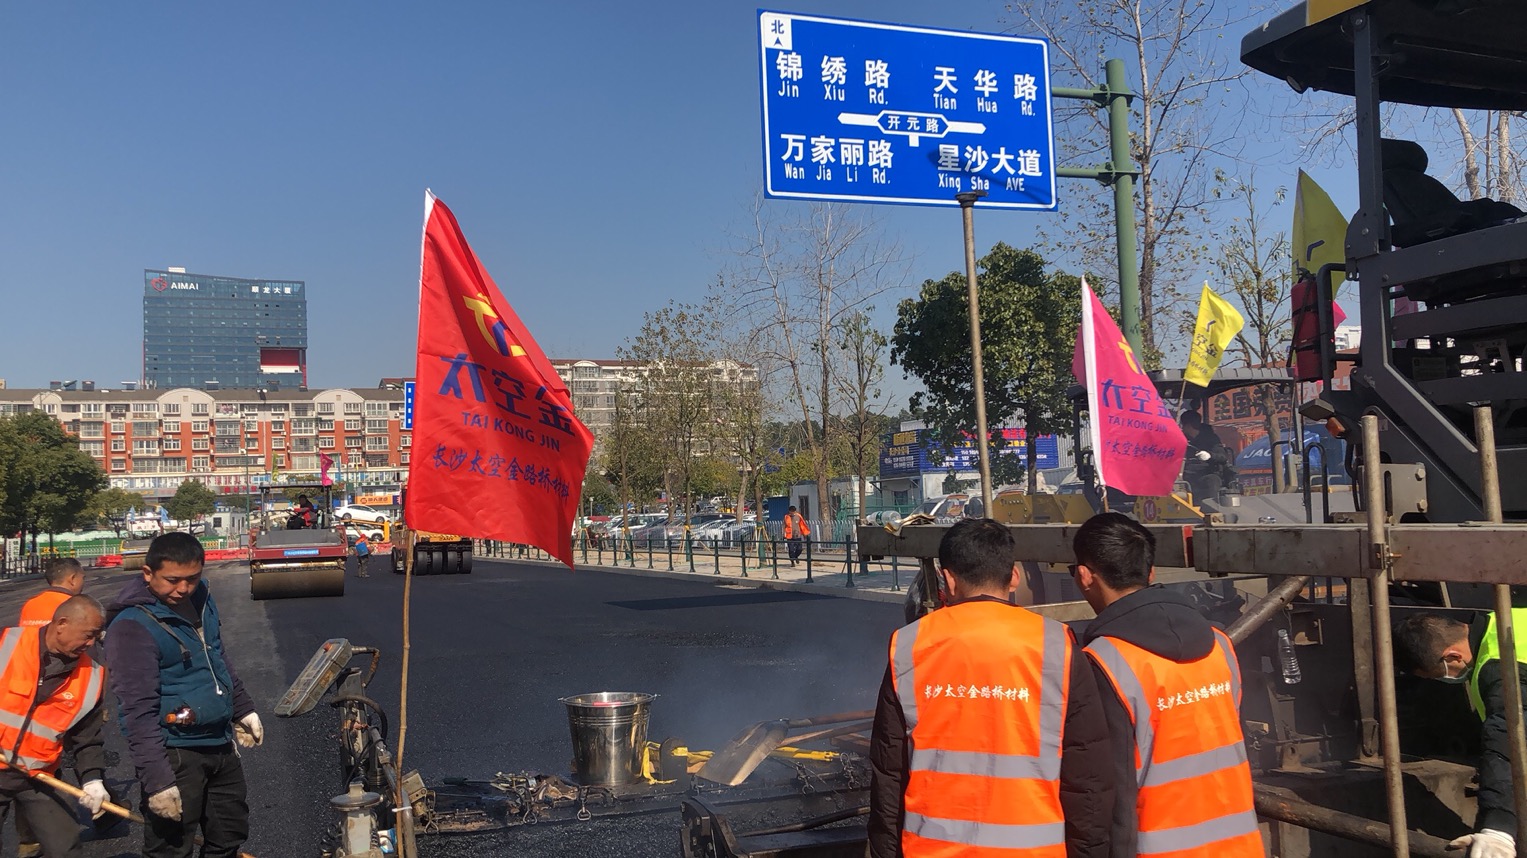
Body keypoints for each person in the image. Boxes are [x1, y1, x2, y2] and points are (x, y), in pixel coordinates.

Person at [867, 518, 1114, 858]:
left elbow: (888, 772)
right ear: (1013, 577)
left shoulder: (908, 645)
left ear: (948, 580)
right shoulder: (1057, 644)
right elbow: (1088, 774)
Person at [1071, 512, 1262, 858]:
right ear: (1151, 572)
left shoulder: (1104, 662)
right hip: (1240, 845)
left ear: (1085, 577)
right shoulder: (1219, 644)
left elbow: (1111, 788)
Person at [106, 532, 263, 858]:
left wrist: (242, 708)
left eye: (192, 579)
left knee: (229, 835)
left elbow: (216, 656)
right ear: (148, 574)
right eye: (172, 580)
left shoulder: (202, 599)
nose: (183, 589)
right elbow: (137, 713)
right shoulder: (132, 626)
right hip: (175, 752)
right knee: (171, 848)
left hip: (220, 745)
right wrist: (158, 781)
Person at [1395, 612, 1522, 858]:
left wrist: (1499, 828)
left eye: (1437, 675)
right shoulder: (1502, 619)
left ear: (1453, 656)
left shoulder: (1499, 666)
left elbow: (1507, 737)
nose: (1443, 680)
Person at [0, 595, 111, 858]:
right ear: (61, 623)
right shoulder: (6, 644)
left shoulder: (92, 676)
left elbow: (88, 737)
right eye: (88, 634)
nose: (91, 643)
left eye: (97, 636)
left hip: (38, 777)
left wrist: (93, 779)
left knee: (65, 849)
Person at [1179, 410, 1234, 504]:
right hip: (1185, 476)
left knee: (1213, 480)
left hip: (1205, 474)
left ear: (1188, 425)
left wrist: (1209, 455)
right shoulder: (1181, 439)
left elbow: (1223, 457)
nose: (1182, 428)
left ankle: (1212, 509)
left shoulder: (1210, 438)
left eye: (1183, 425)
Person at [20, 558, 85, 628]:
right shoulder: (78, 606)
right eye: (83, 578)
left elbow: (23, 636)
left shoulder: (30, 604)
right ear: (72, 579)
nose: (83, 582)